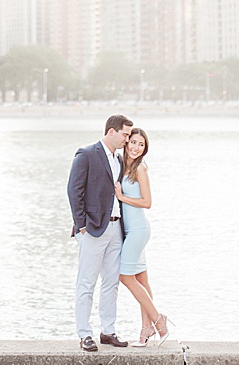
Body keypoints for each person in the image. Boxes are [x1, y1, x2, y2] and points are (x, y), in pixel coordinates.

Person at [67, 114, 133, 352]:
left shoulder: (119, 159)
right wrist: (81, 225)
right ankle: (84, 334)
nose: (127, 140)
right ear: (112, 131)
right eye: (125, 135)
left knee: (111, 282)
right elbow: (74, 191)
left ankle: (108, 331)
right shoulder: (86, 154)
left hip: (116, 228)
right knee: (86, 283)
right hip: (93, 229)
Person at [113, 128, 173, 346]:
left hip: (138, 230)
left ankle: (159, 320)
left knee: (124, 276)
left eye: (141, 145)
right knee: (141, 280)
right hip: (131, 230)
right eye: (134, 143)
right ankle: (145, 330)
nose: (136, 148)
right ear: (127, 142)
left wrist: (122, 197)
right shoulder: (123, 165)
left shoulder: (140, 169)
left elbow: (147, 202)